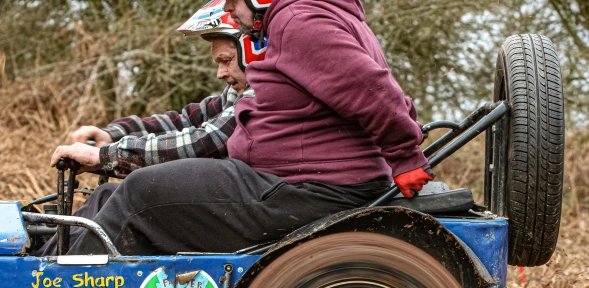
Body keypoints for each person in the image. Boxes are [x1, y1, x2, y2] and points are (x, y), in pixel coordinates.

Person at [57, 0, 434, 256]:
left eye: (234, 0)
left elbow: (372, 89)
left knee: (142, 191)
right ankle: (50, 255)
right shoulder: (307, 18)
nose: (227, 8)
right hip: (300, 181)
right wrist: (116, 135)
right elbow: (202, 114)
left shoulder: (301, 22)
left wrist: (404, 155)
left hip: (309, 189)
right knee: (113, 195)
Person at [40, 2, 263, 256]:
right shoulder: (238, 92)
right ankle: (42, 263)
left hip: (245, 209)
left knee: (138, 188)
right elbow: (185, 121)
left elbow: (206, 142)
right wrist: (112, 135)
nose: (219, 73)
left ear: (252, 51)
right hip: (233, 201)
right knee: (106, 196)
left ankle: (54, 282)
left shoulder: (261, 92)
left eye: (226, 61)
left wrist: (105, 156)